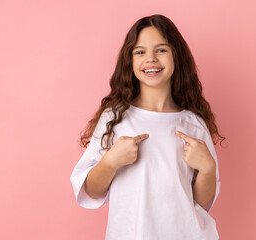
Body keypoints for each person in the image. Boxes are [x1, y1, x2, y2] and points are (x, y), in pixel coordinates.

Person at [70, 14, 226, 240]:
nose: (151, 59)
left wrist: (208, 169)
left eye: (161, 50)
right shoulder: (115, 119)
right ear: (129, 61)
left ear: (176, 57)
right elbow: (91, 191)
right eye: (140, 52)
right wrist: (110, 161)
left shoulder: (193, 124)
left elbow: (200, 202)